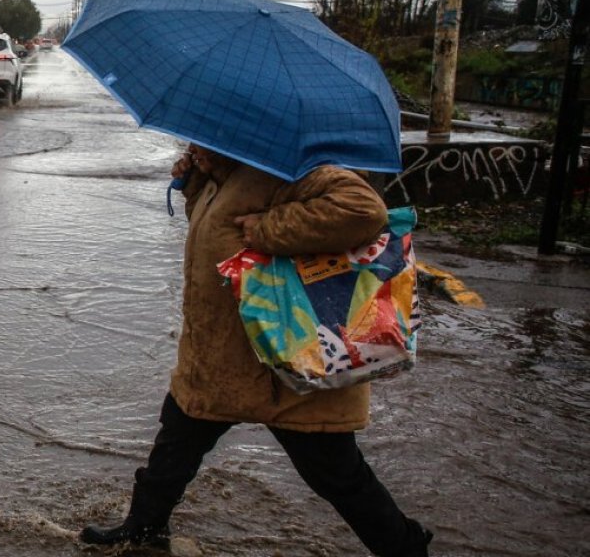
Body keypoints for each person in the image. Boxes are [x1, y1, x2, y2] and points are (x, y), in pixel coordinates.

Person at [80, 144, 433, 556]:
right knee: (176, 444)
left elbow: (363, 211)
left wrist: (267, 229)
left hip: (287, 362)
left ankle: (405, 548)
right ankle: (144, 528)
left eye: (203, 141)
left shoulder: (291, 166)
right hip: (223, 357)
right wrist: (198, 183)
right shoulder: (229, 175)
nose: (193, 145)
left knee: (336, 475)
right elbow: (221, 236)